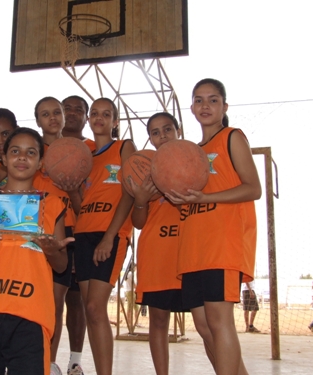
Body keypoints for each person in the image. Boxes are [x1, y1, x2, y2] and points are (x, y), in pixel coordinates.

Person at [166, 78, 262, 375]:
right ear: (191, 108)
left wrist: (207, 196)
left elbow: (253, 188)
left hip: (223, 243)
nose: (205, 105)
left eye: (212, 100)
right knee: (205, 326)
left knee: (220, 322)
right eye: (198, 100)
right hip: (195, 246)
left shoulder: (232, 137)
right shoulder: (191, 152)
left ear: (224, 106)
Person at [0, 127, 73, 375]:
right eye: (15, 151)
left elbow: (61, 265)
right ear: (4, 158)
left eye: (30, 152)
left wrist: (51, 250)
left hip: (31, 314)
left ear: (40, 163)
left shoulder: (53, 205)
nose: (22, 157)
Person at [73, 98, 136, 375]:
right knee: (90, 310)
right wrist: (71, 187)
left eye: (106, 114)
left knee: (97, 308)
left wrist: (110, 236)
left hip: (108, 234)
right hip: (83, 233)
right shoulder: (83, 157)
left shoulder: (124, 147)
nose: (99, 118)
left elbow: (129, 192)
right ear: (89, 119)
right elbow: (80, 204)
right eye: (95, 113)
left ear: (115, 121)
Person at [129, 112, 186, 375]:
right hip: (155, 254)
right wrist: (140, 198)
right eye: (155, 132)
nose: (162, 136)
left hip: (188, 254)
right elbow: (138, 223)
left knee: (207, 322)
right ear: (149, 138)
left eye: (167, 130)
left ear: (178, 130)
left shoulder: (192, 161)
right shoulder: (143, 167)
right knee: (159, 321)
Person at [31, 97, 84, 375]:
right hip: (37, 230)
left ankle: (70, 360)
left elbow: (84, 203)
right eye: (45, 114)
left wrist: (73, 189)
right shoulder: (31, 150)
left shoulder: (78, 151)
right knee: (48, 300)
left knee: (68, 299)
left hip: (71, 230)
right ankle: (43, 360)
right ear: (37, 120)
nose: (52, 118)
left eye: (57, 112)